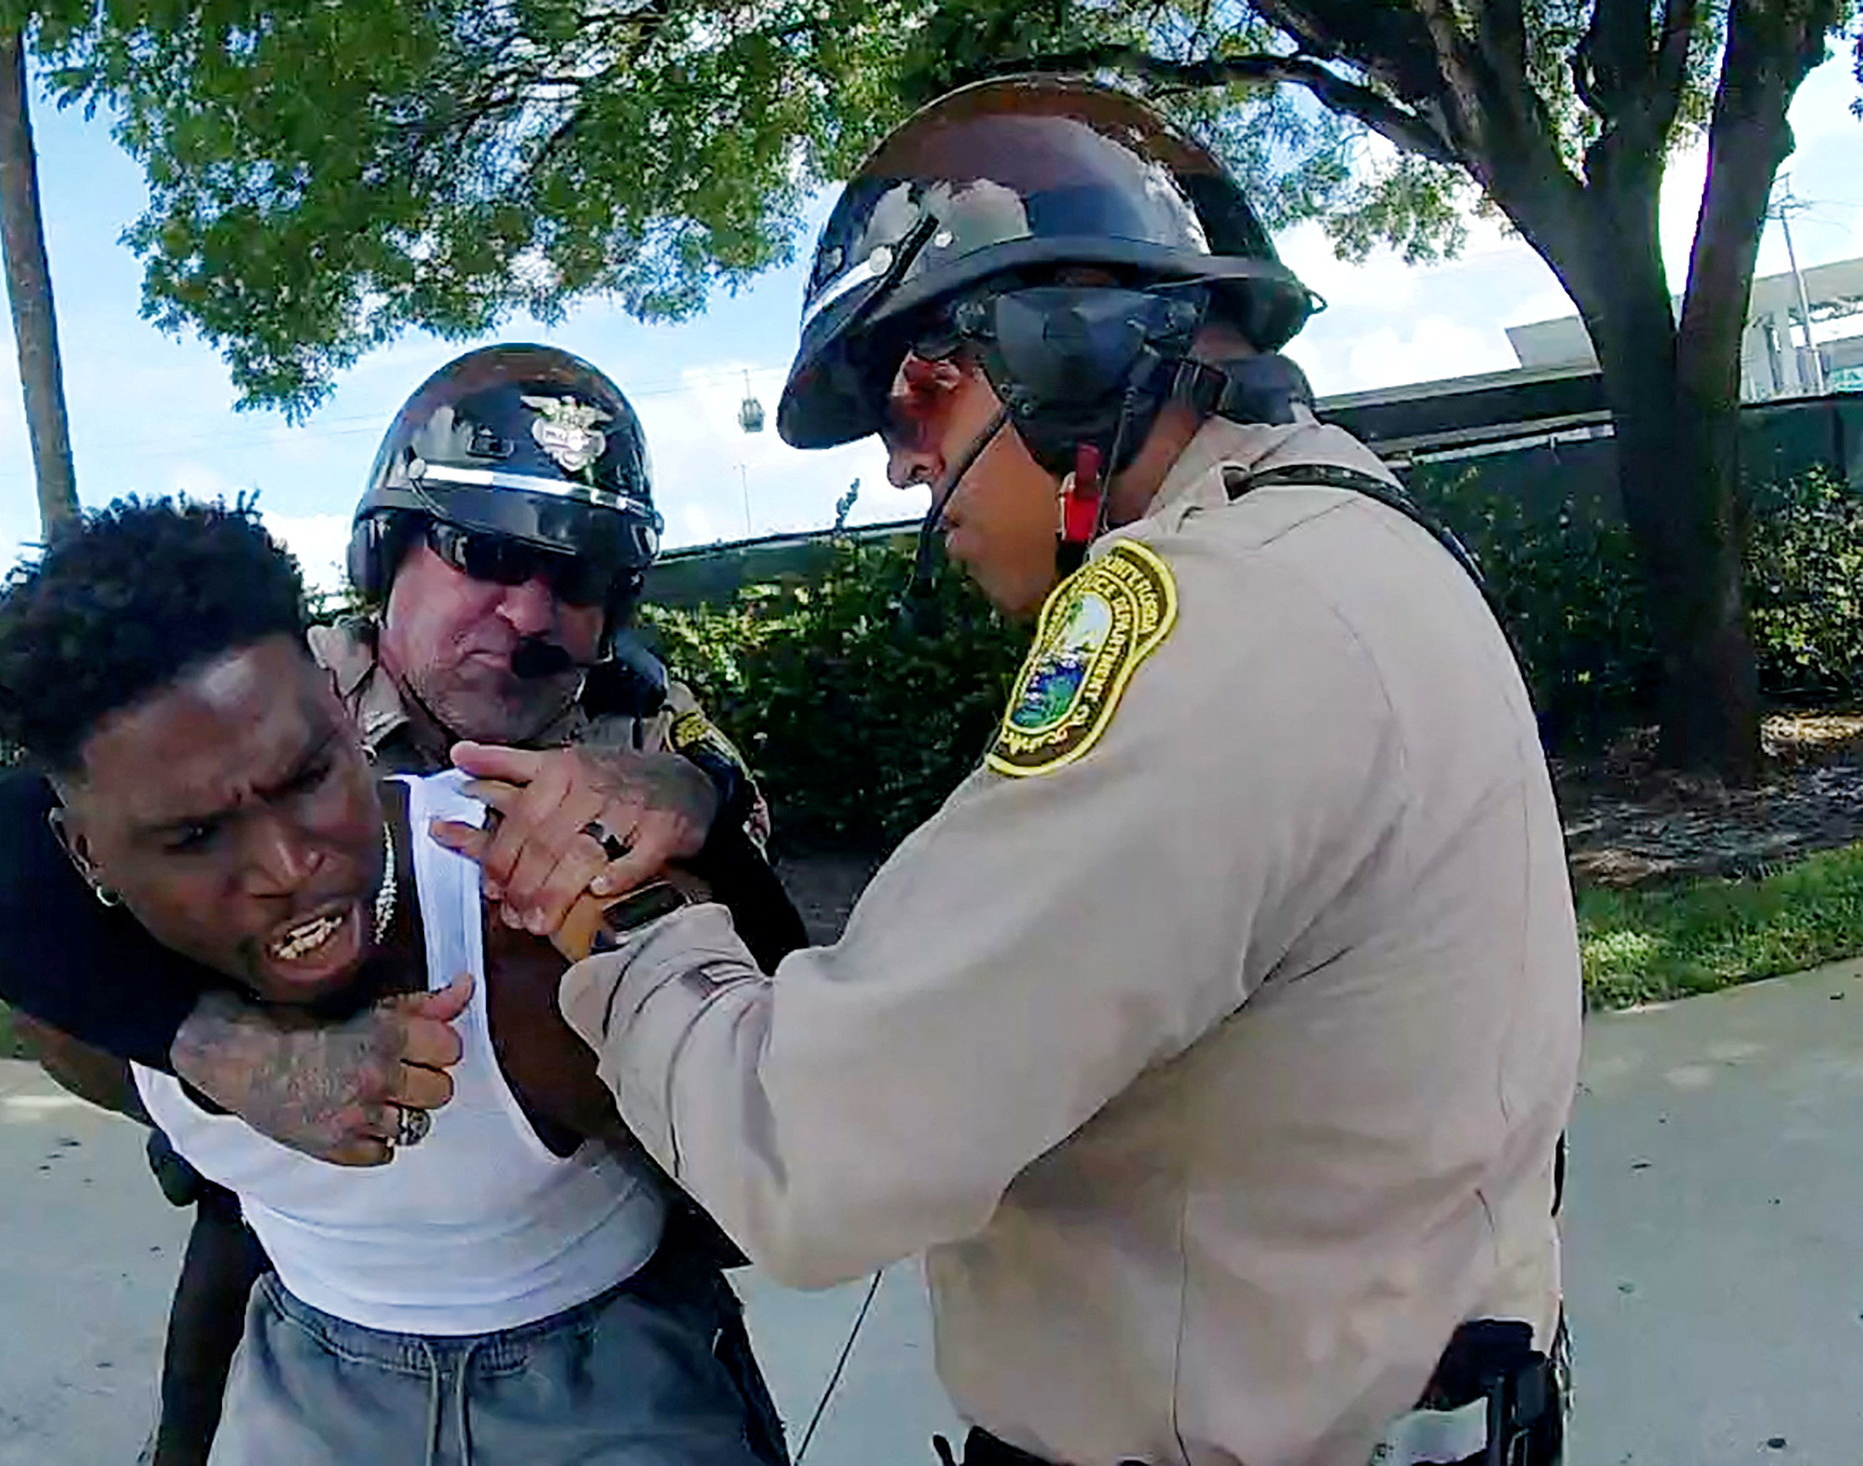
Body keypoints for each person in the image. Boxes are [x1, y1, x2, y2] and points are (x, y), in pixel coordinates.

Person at [438, 75, 1583, 1466]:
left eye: (915, 400)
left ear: (1062, 348)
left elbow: (812, 1148)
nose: (910, 467)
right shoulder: (1356, 543)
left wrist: (617, 916)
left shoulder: (1210, 630)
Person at [0, 346, 801, 1465]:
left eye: (578, 575)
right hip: (300, 1247)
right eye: (484, 552)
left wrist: (691, 801)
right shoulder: (261, 665)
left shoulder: (648, 725)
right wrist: (215, 1045)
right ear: (388, 554)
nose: (529, 612)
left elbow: (765, 1017)